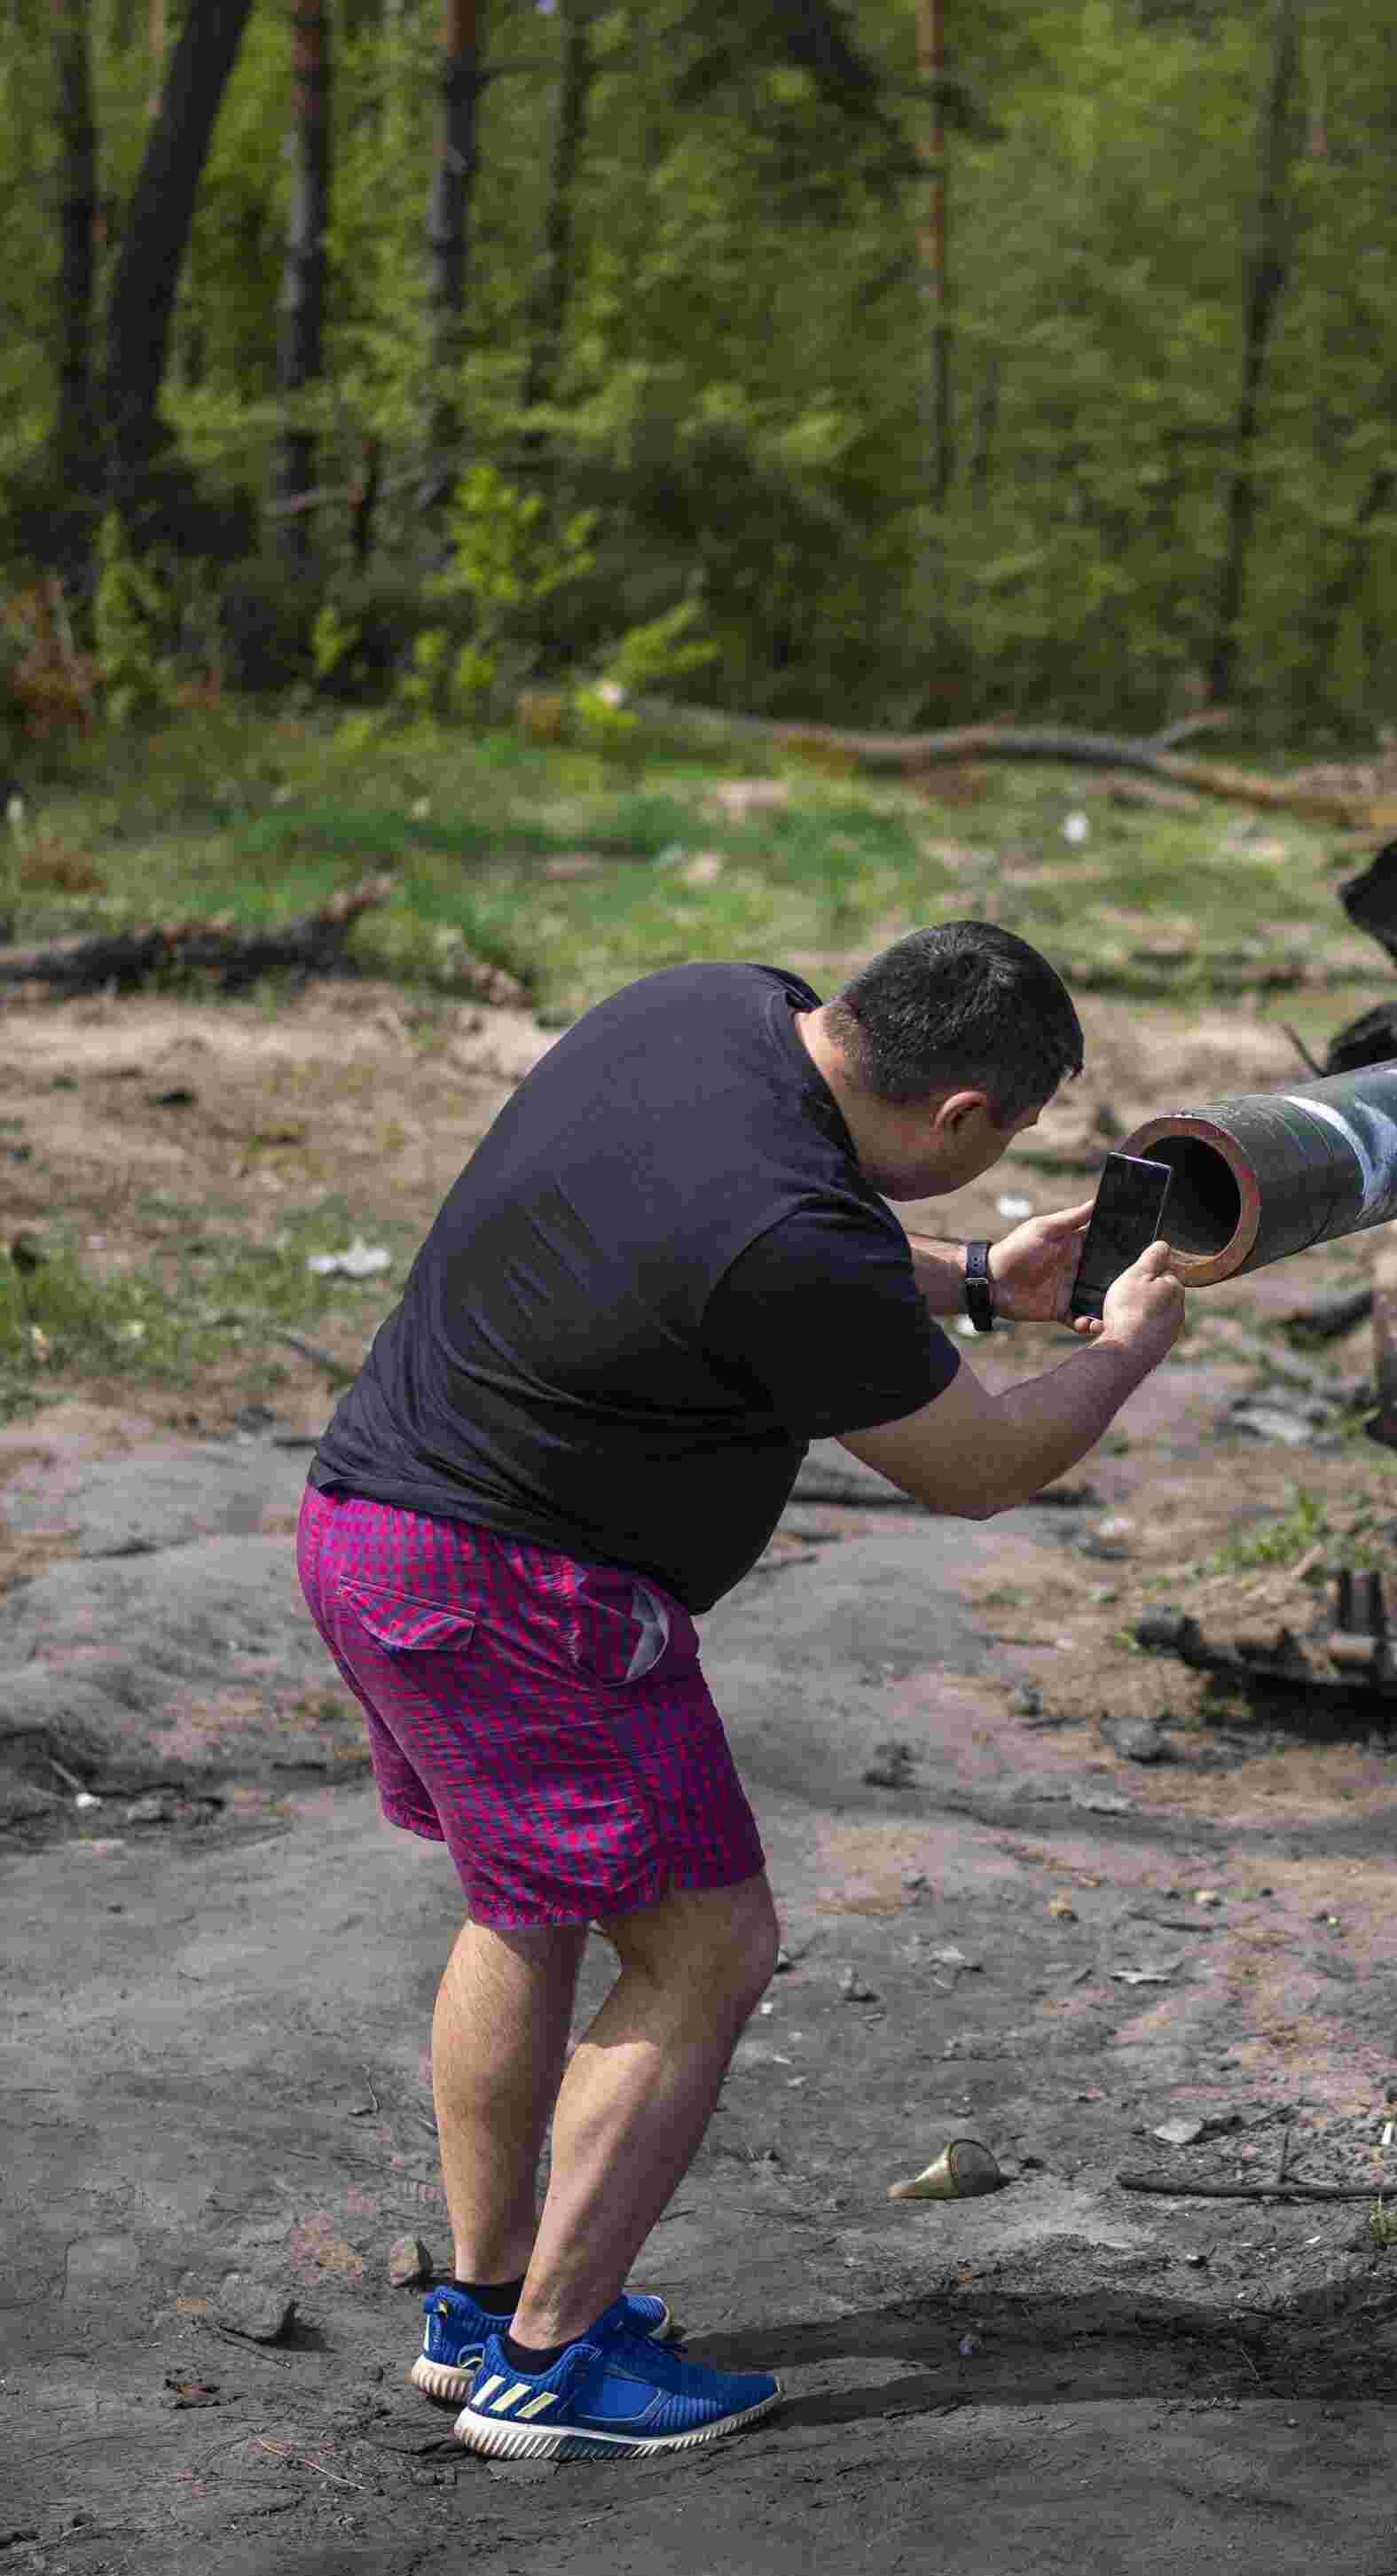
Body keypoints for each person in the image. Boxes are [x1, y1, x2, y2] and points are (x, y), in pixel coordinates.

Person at [293, 923, 1188, 2460]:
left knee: (526, 1907)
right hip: (519, 1590)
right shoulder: (801, 1239)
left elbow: (767, 1246)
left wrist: (976, 1280)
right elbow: (976, 1465)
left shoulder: (707, 1008)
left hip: (370, 1525)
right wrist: (1124, 1354)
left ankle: (483, 2307)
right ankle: (550, 2370)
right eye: (1003, 1148)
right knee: (710, 1944)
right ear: (965, 1115)